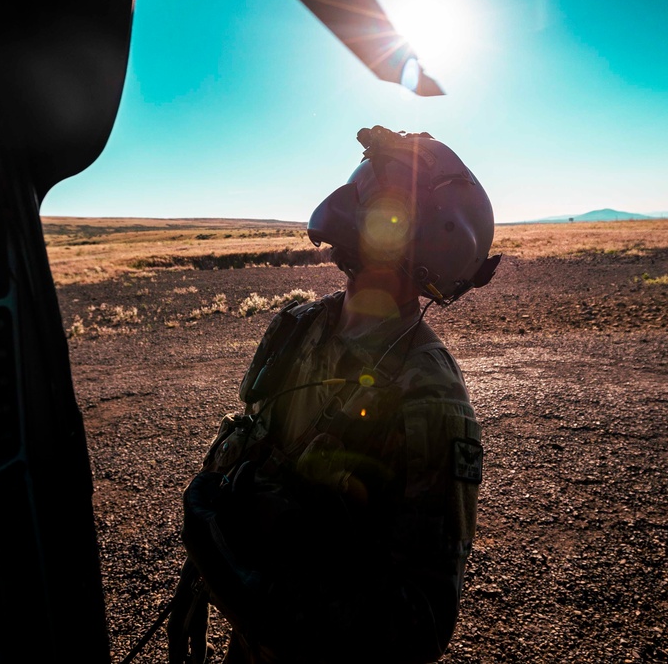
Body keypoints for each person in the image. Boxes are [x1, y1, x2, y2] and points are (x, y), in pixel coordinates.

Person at [171, 126, 500, 664]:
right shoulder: (298, 327)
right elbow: (251, 441)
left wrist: (247, 587)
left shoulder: (431, 396)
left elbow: (418, 624)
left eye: (383, 204)